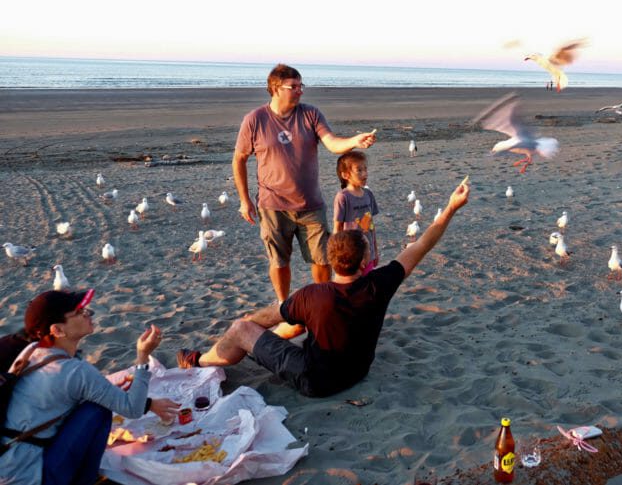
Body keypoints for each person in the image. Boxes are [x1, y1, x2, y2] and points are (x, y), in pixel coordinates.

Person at [177, 181, 470, 397]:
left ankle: (199, 362)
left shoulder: (312, 295)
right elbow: (422, 245)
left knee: (242, 328)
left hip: (315, 382)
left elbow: (263, 319)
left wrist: (253, 334)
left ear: (331, 261)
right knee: (293, 328)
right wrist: (451, 207)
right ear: (364, 260)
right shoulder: (380, 284)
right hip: (357, 372)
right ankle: (254, 347)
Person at [0, 289, 180, 485]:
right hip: (33, 476)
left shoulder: (31, 351)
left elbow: (63, 391)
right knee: (98, 409)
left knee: (93, 404)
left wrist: (105, 388)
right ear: (57, 330)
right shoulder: (75, 371)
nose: (87, 313)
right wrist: (143, 356)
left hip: (10, 464)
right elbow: (133, 409)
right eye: (78, 313)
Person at [233, 63, 377, 305]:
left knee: (322, 259)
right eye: (294, 86)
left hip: (311, 204)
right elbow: (239, 159)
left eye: (301, 86)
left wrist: (355, 141)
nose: (300, 91)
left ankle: (323, 301)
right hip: (272, 205)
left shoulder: (310, 114)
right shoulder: (254, 120)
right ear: (276, 88)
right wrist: (244, 200)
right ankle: (283, 304)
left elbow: (332, 143)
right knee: (279, 261)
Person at [333, 151, 380, 274]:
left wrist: (375, 250)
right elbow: (337, 228)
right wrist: (337, 254)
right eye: (359, 170)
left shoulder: (368, 194)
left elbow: (372, 226)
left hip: (369, 254)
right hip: (350, 255)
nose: (365, 174)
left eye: (365, 169)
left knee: (367, 285)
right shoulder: (343, 197)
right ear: (345, 175)